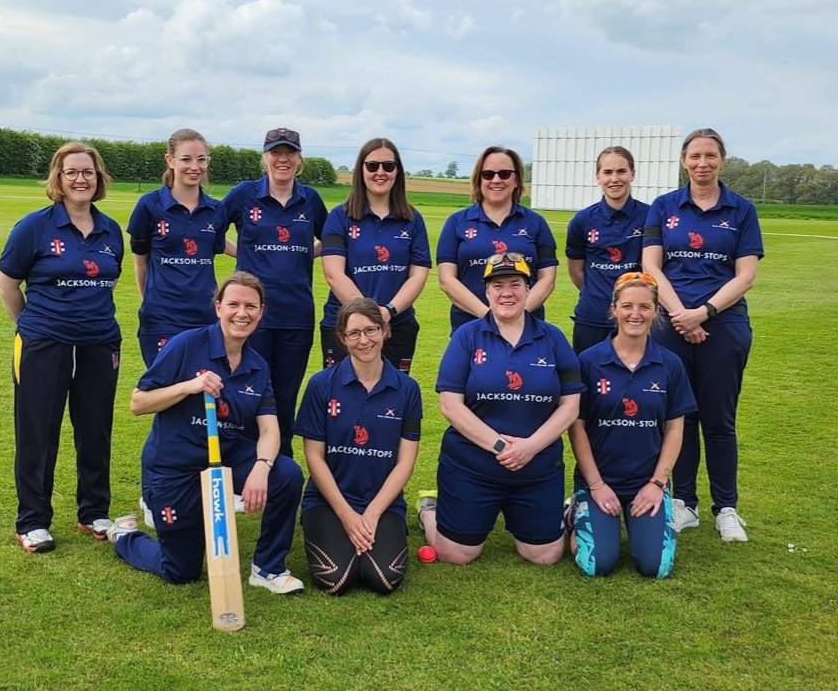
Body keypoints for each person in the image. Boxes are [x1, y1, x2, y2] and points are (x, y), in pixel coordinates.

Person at [107, 273, 305, 593]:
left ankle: (268, 567)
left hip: (227, 454)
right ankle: (126, 536)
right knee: (180, 570)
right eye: (234, 304)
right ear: (218, 308)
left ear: (261, 312)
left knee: (286, 474)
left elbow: (270, 429)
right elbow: (138, 403)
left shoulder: (257, 365)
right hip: (175, 464)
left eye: (251, 306)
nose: (242, 313)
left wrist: (261, 467)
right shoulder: (186, 345)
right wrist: (191, 386)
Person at [0, 142, 123, 552]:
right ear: (59, 179)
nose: (81, 179)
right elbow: (6, 283)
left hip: (99, 344)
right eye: (72, 172)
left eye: (88, 172)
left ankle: (94, 512)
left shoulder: (110, 230)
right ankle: (32, 521)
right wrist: (31, 327)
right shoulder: (34, 227)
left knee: (94, 429)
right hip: (44, 344)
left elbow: (109, 280)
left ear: (98, 178)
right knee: (38, 431)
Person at [418, 253, 584, 565]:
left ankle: (567, 511)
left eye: (515, 284)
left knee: (544, 555)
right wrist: (500, 446)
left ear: (528, 289)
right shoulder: (467, 336)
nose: (506, 292)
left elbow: (570, 405)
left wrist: (530, 447)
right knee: (456, 555)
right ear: (487, 292)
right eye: (497, 285)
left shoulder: (552, 337)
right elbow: (450, 405)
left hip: (535, 467)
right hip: (473, 465)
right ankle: (429, 512)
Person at [642, 128, 764, 542]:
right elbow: (652, 267)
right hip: (672, 323)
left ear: (721, 160)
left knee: (718, 419)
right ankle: (685, 504)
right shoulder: (663, 206)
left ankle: (726, 508)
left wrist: (704, 313)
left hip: (723, 324)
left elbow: (746, 275)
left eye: (710, 156)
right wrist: (681, 315)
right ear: (683, 160)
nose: (702, 163)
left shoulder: (741, 209)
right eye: (695, 156)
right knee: (681, 416)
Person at [567, 272, 696, 578]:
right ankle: (573, 512)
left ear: (655, 311)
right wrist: (596, 485)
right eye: (627, 306)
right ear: (614, 309)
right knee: (597, 564)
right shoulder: (589, 361)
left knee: (655, 568)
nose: (635, 314)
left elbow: (675, 429)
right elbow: (576, 426)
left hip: (647, 482)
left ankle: (649, 515)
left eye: (644, 307)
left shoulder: (670, 364)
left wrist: (656, 484)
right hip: (598, 481)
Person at [295, 298, 422, 595]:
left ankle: (413, 519)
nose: (363, 340)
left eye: (371, 330)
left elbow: (405, 462)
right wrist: (348, 516)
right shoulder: (321, 385)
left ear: (385, 331)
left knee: (384, 579)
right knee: (336, 580)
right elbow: (314, 456)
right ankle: (331, 531)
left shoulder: (407, 389)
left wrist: (373, 514)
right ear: (341, 338)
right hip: (329, 501)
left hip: (381, 502)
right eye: (354, 333)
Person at [221, 128, 328, 458]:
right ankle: (243, 461)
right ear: (265, 157)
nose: (283, 159)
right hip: (251, 316)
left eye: (290, 153)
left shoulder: (310, 199)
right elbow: (209, 231)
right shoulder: (244, 194)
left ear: (299, 159)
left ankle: (280, 464)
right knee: (248, 391)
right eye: (276, 152)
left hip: (296, 315)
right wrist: (241, 255)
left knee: (284, 395)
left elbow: (334, 240)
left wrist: (302, 254)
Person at [320, 139, 431, 372]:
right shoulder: (339, 216)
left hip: (397, 324)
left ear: (397, 171)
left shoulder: (413, 219)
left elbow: (418, 275)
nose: (380, 172)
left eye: (388, 166)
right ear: (360, 170)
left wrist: (388, 312)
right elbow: (333, 274)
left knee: (391, 401)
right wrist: (370, 319)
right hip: (344, 325)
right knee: (342, 399)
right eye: (372, 166)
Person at [127, 129, 231, 366]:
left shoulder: (217, 210)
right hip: (162, 317)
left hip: (205, 315)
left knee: (205, 389)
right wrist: (149, 300)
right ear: (170, 160)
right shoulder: (149, 205)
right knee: (164, 390)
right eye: (186, 159)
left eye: (201, 159)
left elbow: (216, 248)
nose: (195, 166)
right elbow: (140, 259)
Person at [437, 146, 557, 334]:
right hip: (471, 329)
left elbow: (547, 278)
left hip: (527, 330)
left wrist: (516, 314)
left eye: (504, 174)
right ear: (479, 179)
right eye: (488, 174)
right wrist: (488, 317)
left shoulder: (536, 223)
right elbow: (447, 280)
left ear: (516, 179)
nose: (496, 180)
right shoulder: (456, 223)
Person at [565, 146, 650, 353]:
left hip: (635, 317)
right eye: (607, 172)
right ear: (598, 177)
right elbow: (576, 272)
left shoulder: (650, 216)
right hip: (592, 317)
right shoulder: (582, 220)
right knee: (589, 381)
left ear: (632, 174)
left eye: (621, 171)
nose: (615, 179)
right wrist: (598, 294)